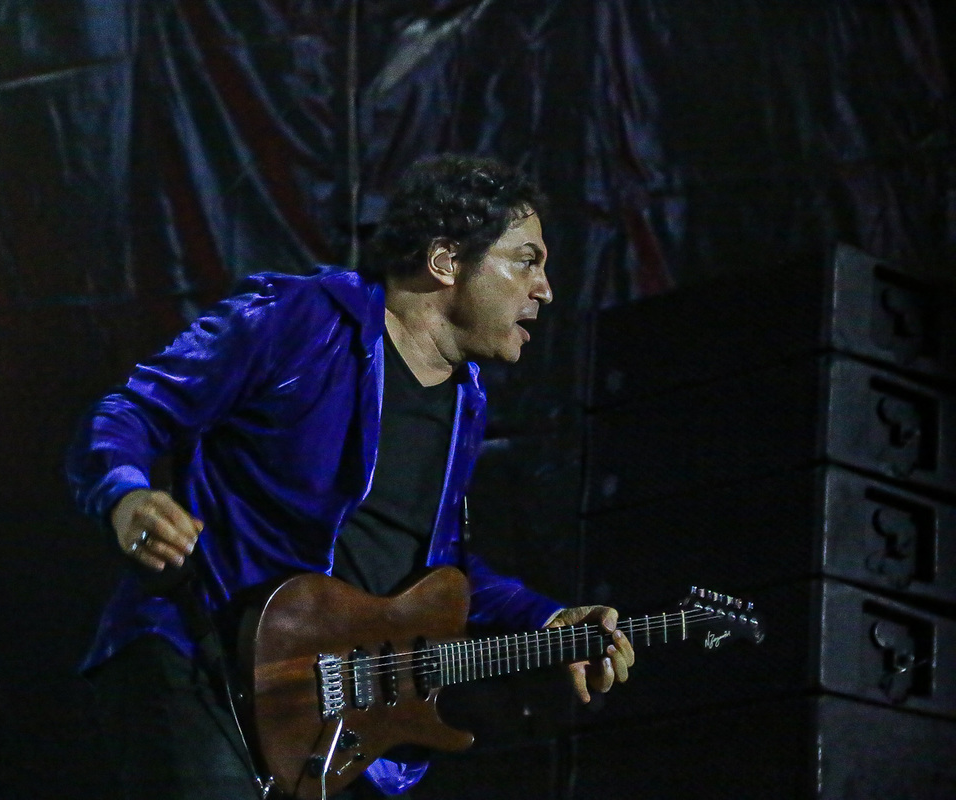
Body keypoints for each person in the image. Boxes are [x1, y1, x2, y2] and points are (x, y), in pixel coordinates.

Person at [67, 154, 636, 800]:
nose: (545, 290)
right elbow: (131, 411)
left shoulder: (464, 401)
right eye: (526, 261)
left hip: (313, 719)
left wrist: (548, 618)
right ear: (445, 261)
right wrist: (125, 493)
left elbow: (434, 576)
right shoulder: (296, 317)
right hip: (199, 661)